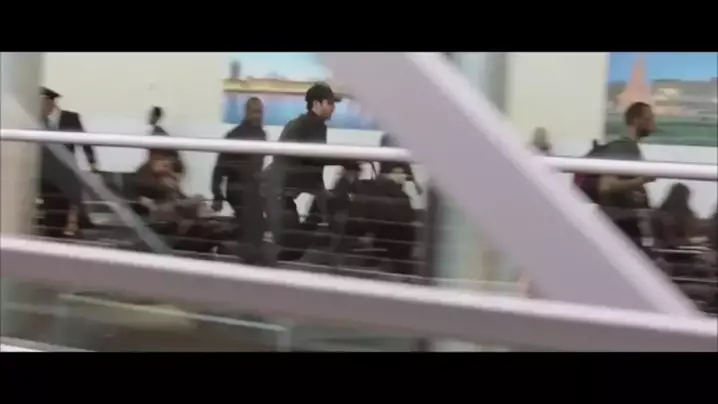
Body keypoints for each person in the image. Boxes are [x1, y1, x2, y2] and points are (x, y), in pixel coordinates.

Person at [268, 83, 341, 259]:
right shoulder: (300, 126)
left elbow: (315, 162)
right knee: (289, 246)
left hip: (288, 189)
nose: (333, 108)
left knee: (297, 241)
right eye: (330, 103)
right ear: (316, 104)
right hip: (277, 190)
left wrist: (320, 192)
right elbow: (307, 158)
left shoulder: (319, 126)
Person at [211, 97, 267, 264]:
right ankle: (243, 257)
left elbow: (256, 166)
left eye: (260, 112)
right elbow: (220, 167)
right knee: (252, 224)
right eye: (255, 112)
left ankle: (243, 254)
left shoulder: (261, 135)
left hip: (252, 188)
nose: (258, 116)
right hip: (238, 188)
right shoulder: (234, 136)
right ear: (247, 112)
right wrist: (217, 194)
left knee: (256, 225)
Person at [134, 150, 224, 253]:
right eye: (162, 161)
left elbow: (182, 204)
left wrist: (199, 208)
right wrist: (193, 205)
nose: (175, 177)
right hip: (165, 236)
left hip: (179, 231)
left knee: (216, 229)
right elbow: (158, 211)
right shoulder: (145, 186)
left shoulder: (171, 187)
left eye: (175, 169)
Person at [38, 87, 97, 238]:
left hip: (66, 168)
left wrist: (92, 162)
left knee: (65, 200)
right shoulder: (38, 120)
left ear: (50, 101)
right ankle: (53, 232)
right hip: (46, 170)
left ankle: (64, 228)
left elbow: (84, 141)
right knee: (50, 202)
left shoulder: (70, 118)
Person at [597, 102, 657, 248]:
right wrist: (642, 180)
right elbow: (606, 186)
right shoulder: (621, 147)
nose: (653, 124)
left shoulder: (631, 148)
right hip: (620, 225)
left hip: (627, 223)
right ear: (637, 120)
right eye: (649, 119)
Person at [146, 106, 184, 175]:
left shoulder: (159, 133)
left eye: (152, 115)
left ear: (156, 117)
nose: (149, 117)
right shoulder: (155, 132)